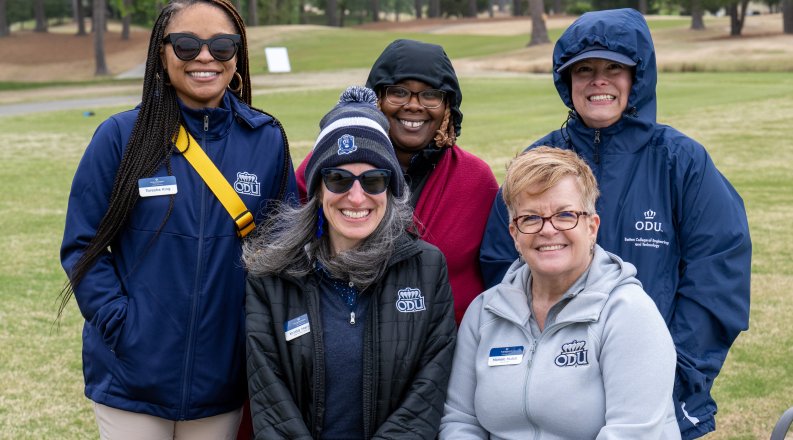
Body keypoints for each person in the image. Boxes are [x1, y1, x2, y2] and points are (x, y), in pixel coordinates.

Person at [479, 8, 751, 439]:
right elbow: (502, 265)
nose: (598, 81)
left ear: (637, 76)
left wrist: (670, 373)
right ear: (566, 81)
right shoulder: (539, 162)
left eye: (614, 68)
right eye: (584, 69)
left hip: (660, 393)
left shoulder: (680, 161)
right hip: (554, 401)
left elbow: (718, 274)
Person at [59, 1, 296, 438]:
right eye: (187, 45)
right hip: (131, 378)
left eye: (222, 45)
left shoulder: (266, 139)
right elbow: (82, 246)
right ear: (161, 52)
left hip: (221, 379)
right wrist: (121, 326)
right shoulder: (120, 136)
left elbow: (286, 252)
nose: (205, 57)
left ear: (238, 55)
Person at [244, 86, 457, 439]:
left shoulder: (426, 268)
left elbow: (428, 390)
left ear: (390, 189)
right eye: (339, 178)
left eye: (374, 180)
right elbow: (270, 397)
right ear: (317, 189)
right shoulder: (272, 274)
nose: (356, 197)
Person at [441, 147, 681, 439]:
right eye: (530, 218)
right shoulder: (484, 313)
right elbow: (459, 420)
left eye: (565, 215)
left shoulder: (628, 312)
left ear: (592, 227)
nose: (548, 230)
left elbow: (631, 433)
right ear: (514, 234)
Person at [296, 39, 499, 324]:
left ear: (448, 107)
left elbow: (499, 273)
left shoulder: (476, 180)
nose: (414, 105)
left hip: (448, 350)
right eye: (399, 92)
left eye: (431, 95)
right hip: (341, 339)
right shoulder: (329, 167)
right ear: (376, 98)